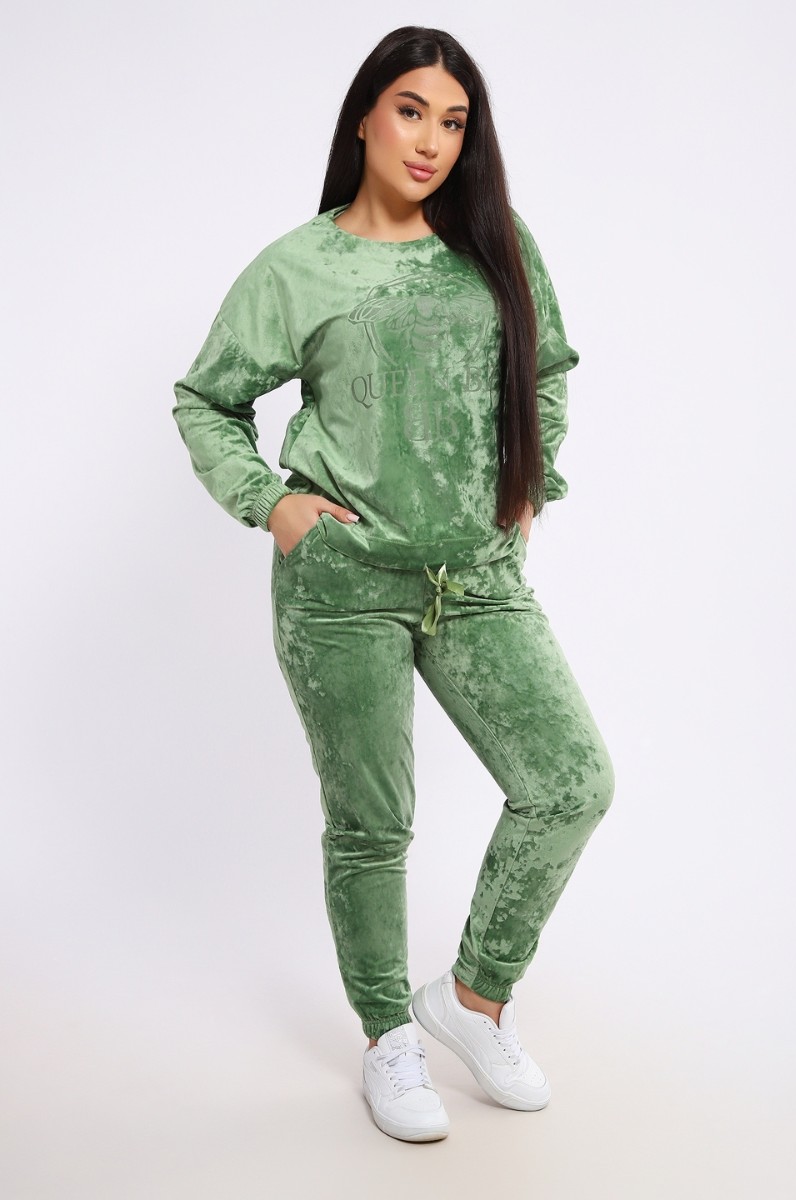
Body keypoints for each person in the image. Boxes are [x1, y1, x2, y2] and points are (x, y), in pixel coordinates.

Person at [172, 25, 615, 1144]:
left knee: (570, 783)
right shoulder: (300, 265)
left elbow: (545, 370)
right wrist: (271, 502)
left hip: (477, 577)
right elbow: (206, 399)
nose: (430, 141)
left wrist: (530, 482)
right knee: (373, 824)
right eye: (411, 111)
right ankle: (386, 1038)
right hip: (343, 585)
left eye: (453, 122)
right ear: (366, 115)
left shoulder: (494, 242)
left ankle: (471, 1000)